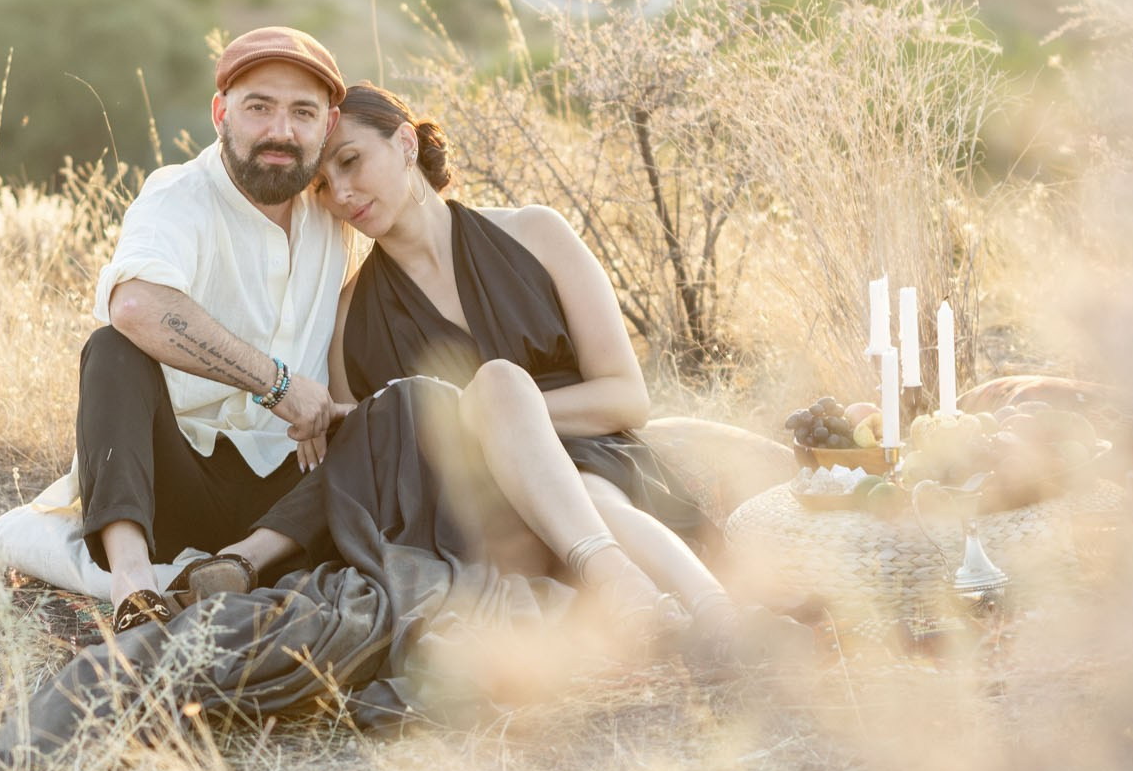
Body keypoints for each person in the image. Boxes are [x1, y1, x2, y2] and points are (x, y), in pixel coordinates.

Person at [203, 82, 796, 638]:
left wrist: (500, 413)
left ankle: (714, 619)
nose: (342, 193)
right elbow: (376, 443)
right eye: (323, 186)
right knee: (542, 454)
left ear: (405, 143)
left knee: (591, 490)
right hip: (473, 509)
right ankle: (693, 614)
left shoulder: (537, 234)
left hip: (595, 454)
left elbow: (625, 396)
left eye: (351, 161)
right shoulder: (349, 315)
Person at [71, 24, 355, 631]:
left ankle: (242, 566)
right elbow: (137, 306)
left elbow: (420, 209)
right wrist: (279, 385)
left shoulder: (338, 210)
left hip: (293, 493)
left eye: (303, 112)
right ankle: (133, 588)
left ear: (327, 126)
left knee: (391, 415)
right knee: (110, 351)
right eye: (259, 108)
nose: (281, 131)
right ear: (221, 112)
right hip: (181, 481)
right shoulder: (178, 196)